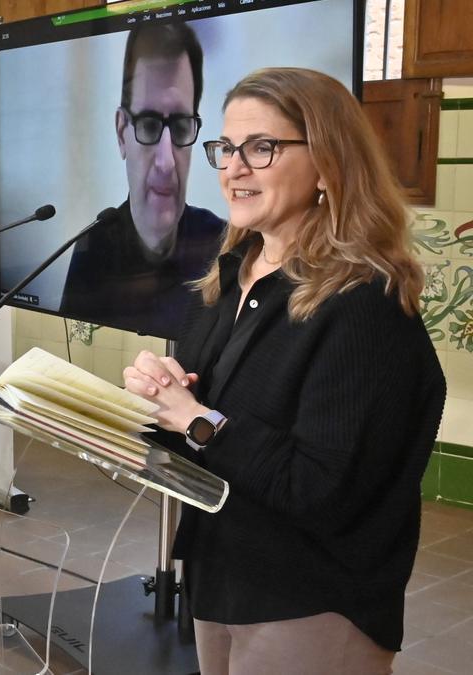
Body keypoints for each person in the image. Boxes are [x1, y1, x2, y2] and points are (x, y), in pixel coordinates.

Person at [122, 68, 445, 674]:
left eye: (261, 147)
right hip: (221, 572)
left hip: (310, 599)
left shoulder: (363, 305)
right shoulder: (228, 276)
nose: (232, 168)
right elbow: (195, 424)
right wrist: (156, 399)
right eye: (224, 148)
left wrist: (198, 421)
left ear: (327, 164)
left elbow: (320, 489)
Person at [60, 23, 225, 338]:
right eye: (148, 126)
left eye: (179, 126)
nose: (165, 162)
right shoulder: (93, 249)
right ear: (122, 133)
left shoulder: (222, 247)